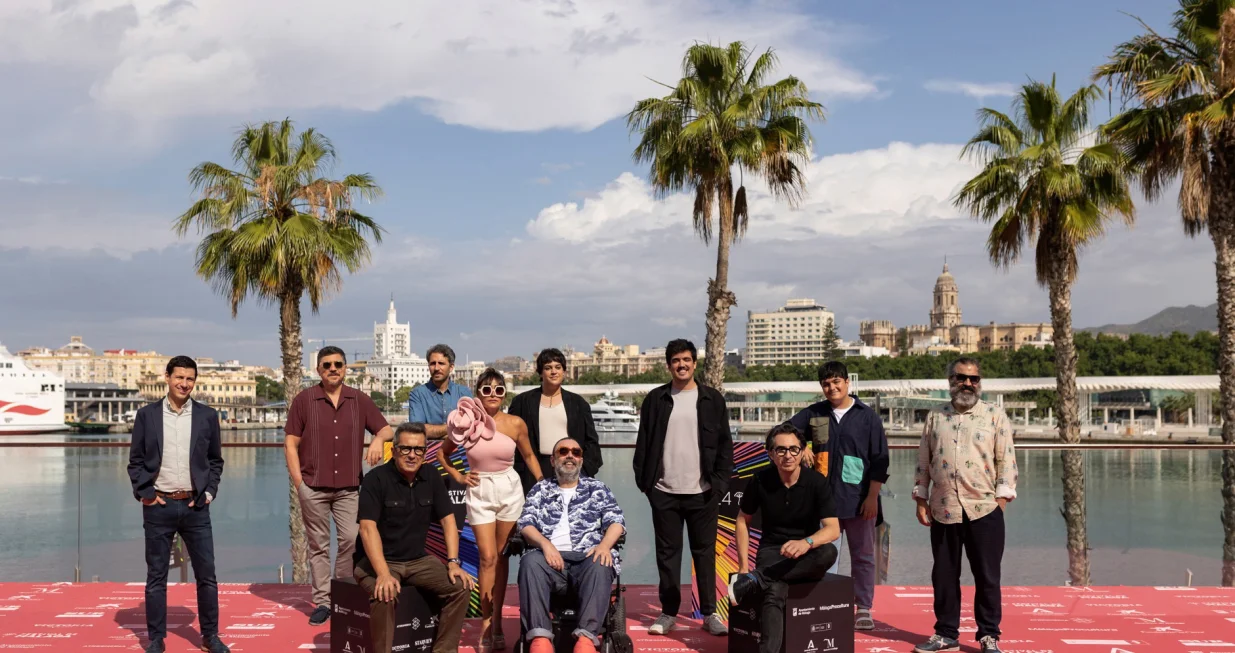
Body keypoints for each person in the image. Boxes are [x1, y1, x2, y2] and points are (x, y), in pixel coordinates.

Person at [911, 357, 1018, 653]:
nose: (967, 383)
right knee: (944, 574)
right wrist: (921, 498)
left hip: (985, 509)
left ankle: (988, 635)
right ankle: (946, 633)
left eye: (974, 379)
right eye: (961, 377)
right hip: (943, 507)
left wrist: (1000, 500)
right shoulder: (935, 416)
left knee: (987, 575)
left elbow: (1006, 461)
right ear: (950, 381)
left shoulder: (995, 415)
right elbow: (923, 460)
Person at [284, 346, 394, 626]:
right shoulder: (304, 400)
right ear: (318, 370)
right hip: (313, 486)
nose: (333, 369)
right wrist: (299, 483)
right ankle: (322, 601)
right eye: (326, 365)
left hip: (349, 488)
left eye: (338, 364)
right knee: (318, 546)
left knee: (350, 540)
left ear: (345, 368)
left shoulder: (359, 400)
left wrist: (378, 440)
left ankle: (342, 594)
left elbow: (386, 429)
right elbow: (291, 443)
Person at [126, 356, 229, 653]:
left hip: (196, 506)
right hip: (159, 506)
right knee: (156, 575)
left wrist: (209, 492)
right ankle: (156, 639)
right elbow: (135, 462)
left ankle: (210, 636)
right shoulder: (147, 415)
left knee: (207, 575)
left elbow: (215, 461)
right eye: (179, 377)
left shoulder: (207, 416)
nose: (184, 383)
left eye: (190, 379)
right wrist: (145, 493)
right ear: (167, 377)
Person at [632, 338, 732, 637]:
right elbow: (644, 443)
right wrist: (646, 484)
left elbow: (725, 446)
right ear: (669, 365)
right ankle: (668, 612)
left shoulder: (712, 399)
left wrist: (720, 484)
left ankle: (710, 613)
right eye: (676, 360)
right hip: (664, 491)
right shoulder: (656, 399)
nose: (682, 365)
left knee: (704, 553)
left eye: (687, 359)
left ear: (694, 363)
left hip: (703, 492)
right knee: (668, 554)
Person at [440, 368, 544, 652]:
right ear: (478, 393)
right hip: (479, 489)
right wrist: (459, 476)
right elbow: (443, 452)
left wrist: (544, 486)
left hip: (510, 489)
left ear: (505, 394)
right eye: (487, 389)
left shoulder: (515, 424)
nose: (493, 395)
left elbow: (530, 456)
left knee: (501, 558)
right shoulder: (465, 423)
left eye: (499, 389)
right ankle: (486, 626)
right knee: (486, 557)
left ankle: (498, 623)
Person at [355, 422, 475, 653]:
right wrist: (382, 574)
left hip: (418, 560)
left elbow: (448, 520)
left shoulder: (431, 475)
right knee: (385, 593)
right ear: (396, 449)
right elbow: (367, 529)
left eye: (419, 449)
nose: (412, 455)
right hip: (378, 561)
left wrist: (452, 562)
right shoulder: (375, 479)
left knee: (461, 586)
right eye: (406, 449)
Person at [788, 360, 889, 630]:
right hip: (823, 501)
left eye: (836, 382)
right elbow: (786, 431)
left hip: (859, 500)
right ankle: (823, 602)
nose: (831, 387)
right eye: (826, 384)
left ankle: (863, 608)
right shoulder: (815, 413)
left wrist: (872, 497)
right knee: (821, 555)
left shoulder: (868, 417)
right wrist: (801, 444)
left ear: (847, 383)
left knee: (863, 555)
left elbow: (881, 461)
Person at [727, 423, 841, 653]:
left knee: (829, 551)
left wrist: (806, 542)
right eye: (781, 450)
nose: (788, 455)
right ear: (770, 453)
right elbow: (742, 520)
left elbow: (832, 529)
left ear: (801, 451)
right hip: (772, 551)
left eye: (793, 449)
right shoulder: (760, 480)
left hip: (806, 553)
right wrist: (741, 567)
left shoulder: (817, 482)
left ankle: (757, 579)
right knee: (774, 592)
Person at [517, 437, 626, 653]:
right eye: (563, 451)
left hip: (587, 559)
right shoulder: (540, 490)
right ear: (553, 460)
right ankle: (540, 639)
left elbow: (617, 522)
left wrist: (604, 546)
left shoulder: (597, 489)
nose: (570, 456)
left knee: (602, 561)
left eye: (576, 452)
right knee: (530, 562)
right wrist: (545, 545)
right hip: (549, 560)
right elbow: (525, 524)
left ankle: (586, 640)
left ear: (581, 460)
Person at [507, 348, 603, 494]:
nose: (554, 372)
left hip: (569, 468)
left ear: (564, 372)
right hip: (532, 472)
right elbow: (510, 442)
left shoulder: (579, 403)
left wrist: (583, 471)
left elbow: (591, 443)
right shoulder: (521, 402)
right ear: (540, 372)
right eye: (548, 368)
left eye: (558, 367)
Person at [408, 344, 474, 439]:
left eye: (441, 363)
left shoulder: (464, 393)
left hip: (459, 452)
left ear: (451, 367)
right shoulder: (417, 394)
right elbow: (418, 430)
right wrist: (454, 427)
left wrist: (434, 431)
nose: (436, 368)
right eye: (432, 363)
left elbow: (471, 426)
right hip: (429, 452)